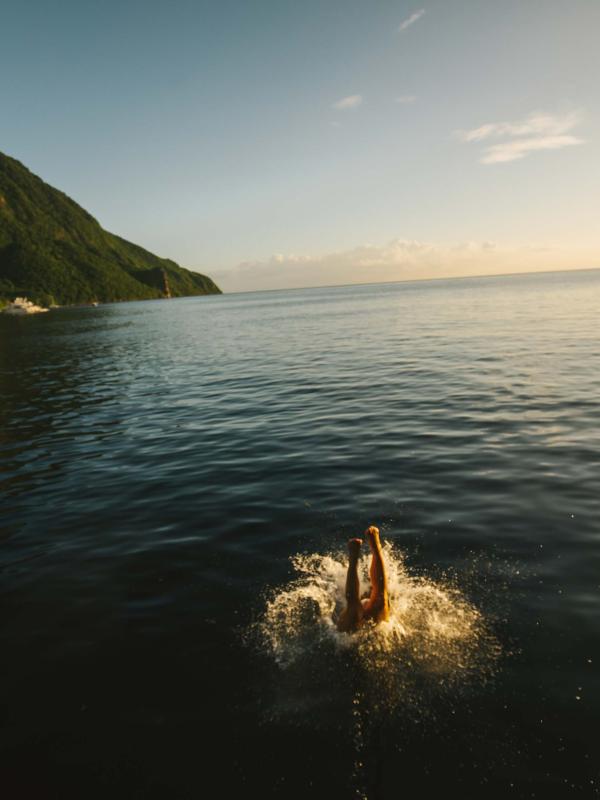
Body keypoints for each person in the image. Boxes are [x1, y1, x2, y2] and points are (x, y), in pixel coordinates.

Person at [337, 525, 390, 632]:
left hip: (355, 628)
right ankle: (374, 549)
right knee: (379, 600)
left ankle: (355, 558)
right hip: (363, 629)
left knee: (354, 607)